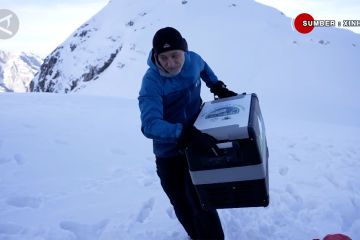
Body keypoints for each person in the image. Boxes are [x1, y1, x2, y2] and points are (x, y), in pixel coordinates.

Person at [138, 27, 237, 239]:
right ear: (156, 56)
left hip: (195, 142)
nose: (170, 63)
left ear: (185, 51)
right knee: (180, 200)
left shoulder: (193, 61)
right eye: (163, 57)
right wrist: (183, 133)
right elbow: (150, 124)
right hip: (169, 151)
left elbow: (203, 67)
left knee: (200, 199)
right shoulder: (151, 82)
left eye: (175, 55)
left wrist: (216, 85)